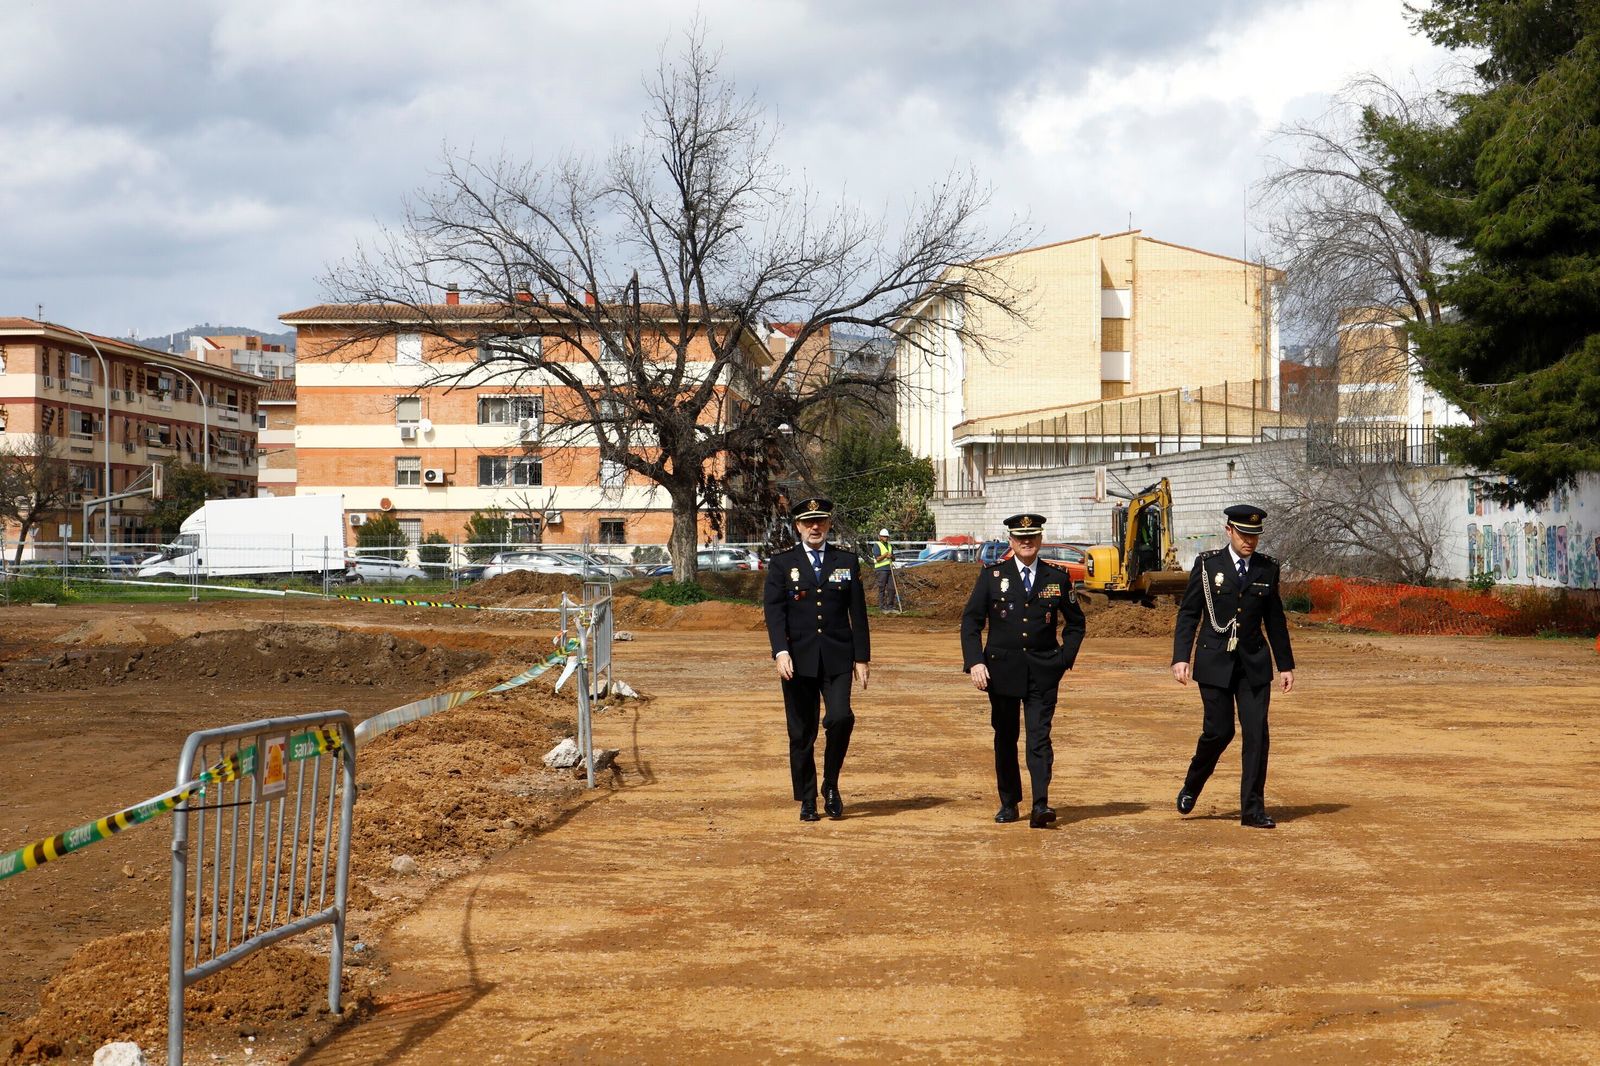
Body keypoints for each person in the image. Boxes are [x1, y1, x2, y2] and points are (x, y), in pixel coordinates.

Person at [1171, 504, 1296, 829]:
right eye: (1243, 534)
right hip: (1215, 661)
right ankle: (1192, 784)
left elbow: (1275, 619)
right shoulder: (1208, 565)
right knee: (1220, 731)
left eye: (1254, 535)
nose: (1249, 541)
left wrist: (1285, 664)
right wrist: (1181, 657)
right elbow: (1188, 613)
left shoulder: (1267, 569)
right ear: (1229, 531)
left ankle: (1252, 810)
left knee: (1257, 734)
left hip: (1253, 662)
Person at [960, 513, 1087, 828]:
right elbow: (971, 622)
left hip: (1044, 670)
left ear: (1040, 540)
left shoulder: (1056, 577)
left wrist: (1063, 659)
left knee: (1039, 738)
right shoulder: (992, 576)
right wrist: (975, 662)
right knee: (1005, 737)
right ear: (1011, 542)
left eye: (1032, 537)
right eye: (1020, 538)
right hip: (1001, 671)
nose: (1026, 542)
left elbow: (1076, 624)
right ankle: (1009, 802)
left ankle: (1041, 803)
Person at [763, 497, 871, 822]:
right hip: (798, 660)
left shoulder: (846, 561)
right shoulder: (783, 564)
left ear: (828, 524)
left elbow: (859, 614)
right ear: (797, 526)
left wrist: (862, 658)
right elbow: (774, 612)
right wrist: (780, 651)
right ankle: (808, 798)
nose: (815, 527)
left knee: (840, 718)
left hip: (838, 658)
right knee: (801, 733)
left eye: (820, 521)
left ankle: (831, 784)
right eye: (809, 522)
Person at [872, 528, 898, 611]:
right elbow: (878, 559)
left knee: (892, 588)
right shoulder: (877, 545)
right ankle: (882, 606)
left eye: (887, 536)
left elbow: (894, 558)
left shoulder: (889, 545)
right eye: (884, 536)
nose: (886, 538)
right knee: (882, 588)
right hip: (881, 569)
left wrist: (892, 556)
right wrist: (885, 555)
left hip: (889, 569)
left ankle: (890, 606)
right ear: (880, 537)